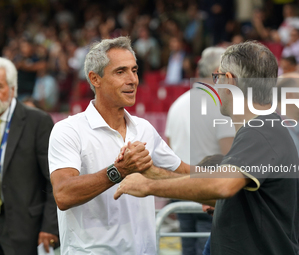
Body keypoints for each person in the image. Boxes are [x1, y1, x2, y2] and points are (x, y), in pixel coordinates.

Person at [115, 41, 299, 254]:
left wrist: (148, 186)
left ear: (230, 81)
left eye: (218, 78)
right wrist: (155, 174)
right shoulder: (263, 130)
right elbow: (229, 197)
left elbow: (221, 186)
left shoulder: (259, 133)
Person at [48, 37, 189, 255]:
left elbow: (183, 173)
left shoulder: (144, 128)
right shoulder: (68, 130)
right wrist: (119, 171)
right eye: (121, 71)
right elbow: (64, 195)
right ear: (95, 78)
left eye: (134, 70)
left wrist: (224, 183)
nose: (133, 79)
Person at [165, 46, 235, 255]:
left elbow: (168, 150)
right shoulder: (219, 105)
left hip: (181, 188)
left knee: (188, 248)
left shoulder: (177, 104)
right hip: (208, 192)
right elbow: (230, 154)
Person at [0, 57, 58, 254]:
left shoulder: (37, 122)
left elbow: (54, 179)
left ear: (13, 89)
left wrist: (50, 226)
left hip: (25, 229)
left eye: (0, 86)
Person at [202, 186, 299, 255]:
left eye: (207, 195)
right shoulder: (224, 224)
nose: (203, 207)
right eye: (200, 198)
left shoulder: (287, 192)